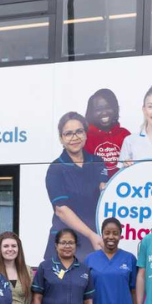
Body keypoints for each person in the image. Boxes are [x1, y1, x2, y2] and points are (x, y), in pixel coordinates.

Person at [44, 112, 108, 263]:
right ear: (61, 138)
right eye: (68, 134)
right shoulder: (55, 169)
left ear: (86, 134)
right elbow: (62, 211)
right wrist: (91, 234)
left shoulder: (97, 162)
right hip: (64, 243)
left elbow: (106, 193)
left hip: (94, 243)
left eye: (79, 131)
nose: (74, 137)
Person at [84, 88, 131, 178]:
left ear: (115, 109)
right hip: (95, 190)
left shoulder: (125, 135)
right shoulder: (86, 137)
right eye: (98, 109)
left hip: (121, 188)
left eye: (108, 108)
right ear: (91, 112)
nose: (104, 112)